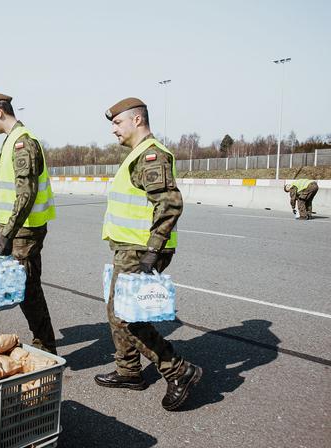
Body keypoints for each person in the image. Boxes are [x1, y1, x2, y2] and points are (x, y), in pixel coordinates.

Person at [95, 97, 202, 411]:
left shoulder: (151, 155)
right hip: (130, 247)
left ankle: (179, 370)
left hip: (142, 249)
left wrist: (151, 255)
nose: (113, 130)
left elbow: (170, 204)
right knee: (117, 312)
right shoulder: (136, 155)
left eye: (117, 123)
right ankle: (129, 371)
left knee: (130, 317)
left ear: (137, 120)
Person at [0, 93, 58, 354]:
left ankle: (47, 349)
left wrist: (7, 233)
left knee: (28, 290)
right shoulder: (11, 141)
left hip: (24, 231)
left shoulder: (23, 143)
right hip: (12, 229)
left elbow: (26, 193)